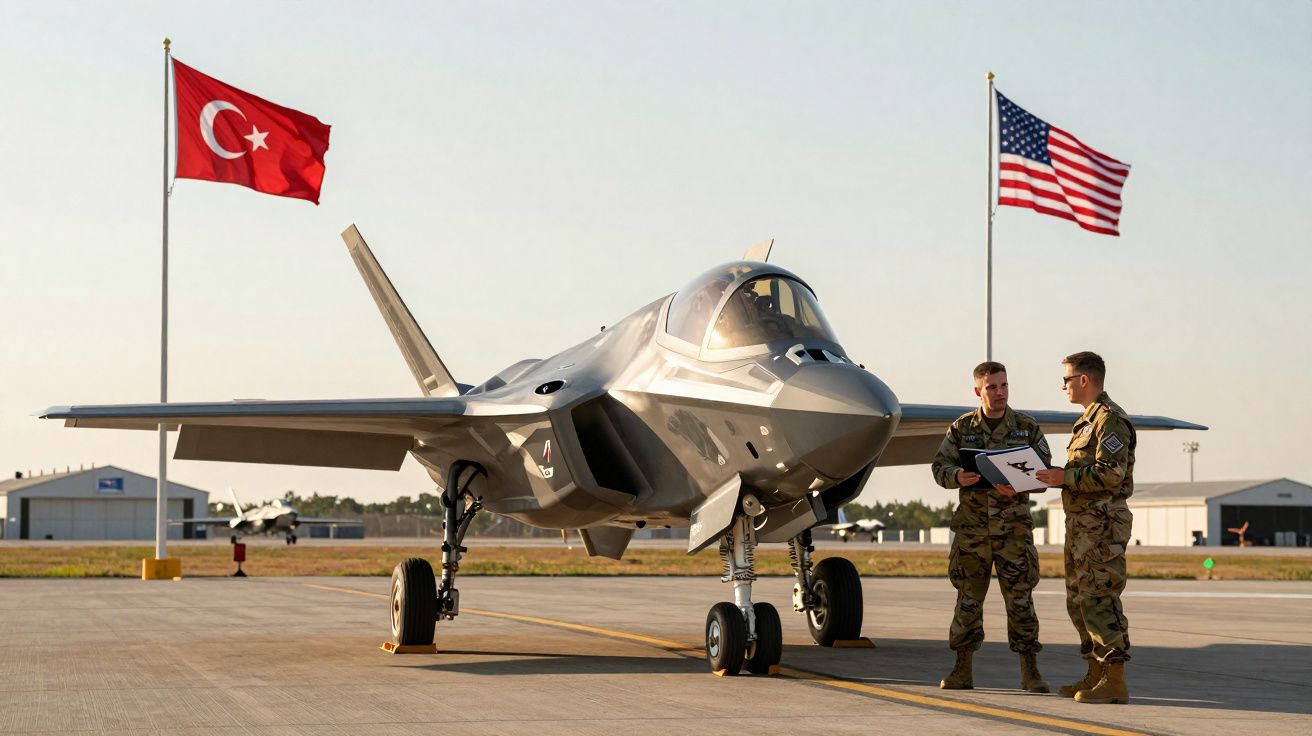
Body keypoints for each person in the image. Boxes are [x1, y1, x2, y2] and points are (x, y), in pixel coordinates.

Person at [931, 361, 1051, 693]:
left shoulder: (1026, 427)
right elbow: (940, 466)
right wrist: (957, 476)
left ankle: (1030, 671)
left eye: (1004, 386)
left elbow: (1045, 475)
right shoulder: (961, 429)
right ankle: (961, 669)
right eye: (992, 388)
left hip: (1013, 533)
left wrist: (1021, 483)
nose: (1000, 393)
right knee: (968, 601)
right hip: (972, 533)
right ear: (978, 391)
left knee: (1021, 601)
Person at [1035, 352, 1135, 705]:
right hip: (1082, 526)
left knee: (1100, 599)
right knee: (1079, 601)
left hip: (1102, 527)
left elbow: (1112, 473)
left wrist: (1066, 476)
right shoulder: (1087, 422)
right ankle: (1095, 673)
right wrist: (1059, 477)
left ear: (1084, 380)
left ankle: (1115, 680)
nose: (1062, 385)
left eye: (1066, 379)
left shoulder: (1110, 421)